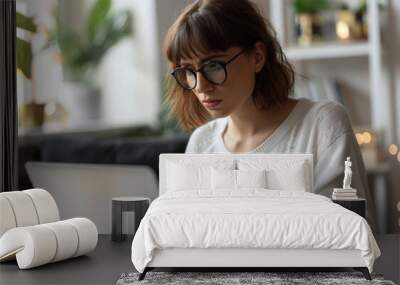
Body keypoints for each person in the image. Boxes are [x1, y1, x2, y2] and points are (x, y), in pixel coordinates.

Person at [162, 0, 376, 230]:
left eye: (213, 66)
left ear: (257, 57)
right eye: (188, 71)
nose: (201, 86)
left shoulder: (321, 125)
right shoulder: (201, 143)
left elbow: (351, 232)